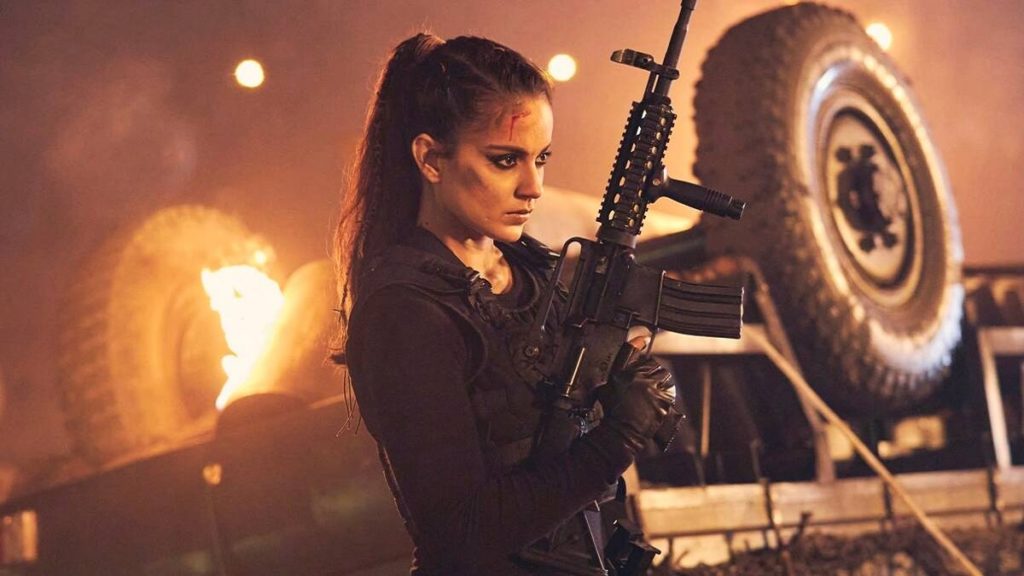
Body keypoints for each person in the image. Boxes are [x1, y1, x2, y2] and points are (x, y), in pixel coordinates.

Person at [334, 32, 676, 575]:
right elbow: (463, 532)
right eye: (505, 160)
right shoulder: (405, 313)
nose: (533, 186)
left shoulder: (532, 269)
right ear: (430, 158)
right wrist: (617, 440)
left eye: (541, 158)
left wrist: (622, 384)